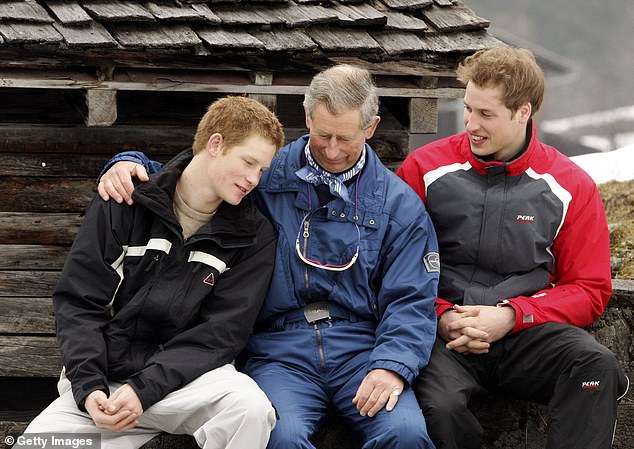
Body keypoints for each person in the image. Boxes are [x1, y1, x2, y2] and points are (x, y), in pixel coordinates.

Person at [97, 65, 440, 449]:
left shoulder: (400, 206)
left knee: (405, 433)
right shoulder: (265, 174)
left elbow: (412, 299)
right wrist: (131, 162)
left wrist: (392, 366)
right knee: (280, 435)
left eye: (345, 138)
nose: (331, 149)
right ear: (307, 116)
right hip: (278, 351)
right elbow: (199, 175)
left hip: (363, 348)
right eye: (322, 134)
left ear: (371, 128)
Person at [17, 96, 285, 449]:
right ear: (215, 144)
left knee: (249, 409)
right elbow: (79, 303)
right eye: (249, 162)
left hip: (186, 384)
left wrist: (146, 388)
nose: (254, 179)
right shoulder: (126, 201)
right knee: (37, 444)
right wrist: (89, 388)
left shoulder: (253, 234)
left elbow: (222, 332)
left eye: (262, 170)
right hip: (104, 383)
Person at [397, 47, 629, 449]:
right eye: (468, 109)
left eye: (486, 114)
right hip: (439, 336)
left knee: (595, 368)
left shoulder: (571, 185)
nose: (471, 123)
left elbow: (590, 288)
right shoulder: (423, 169)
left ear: (523, 112)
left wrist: (512, 315)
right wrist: (443, 317)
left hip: (526, 334)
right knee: (440, 408)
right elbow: (393, 265)